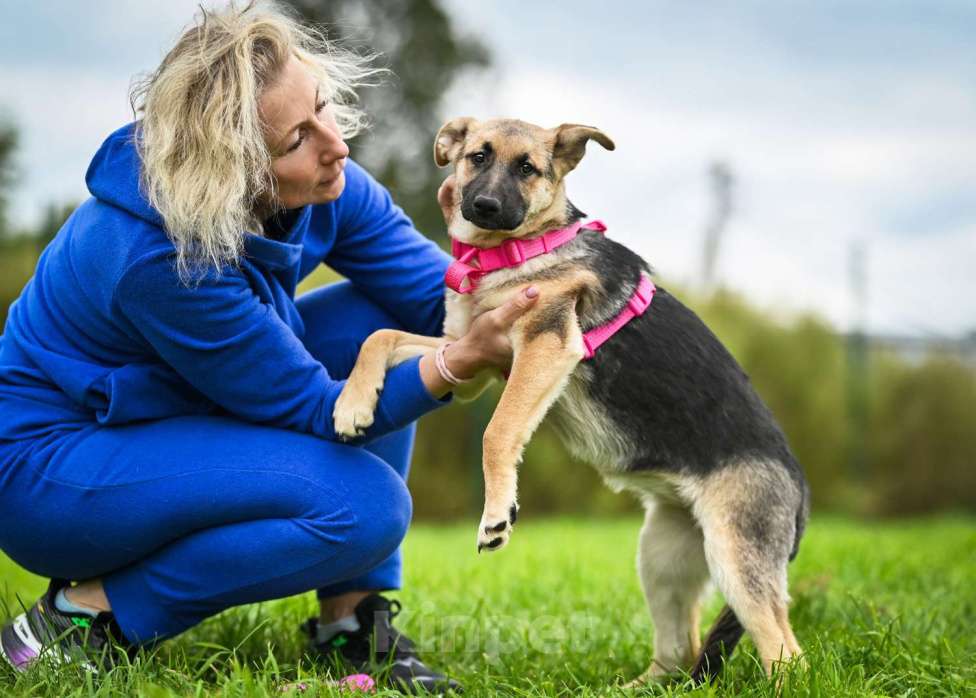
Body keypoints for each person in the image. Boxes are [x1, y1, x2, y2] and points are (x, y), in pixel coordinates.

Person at [0, 3, 537, 693]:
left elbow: (446, 297)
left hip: (168, 415)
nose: (335, 145)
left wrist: (552, 299)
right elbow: (322, 411)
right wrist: (453, 363)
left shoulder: (328, 182)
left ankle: (349, 623)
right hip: (52, 470)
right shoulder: (157, 258)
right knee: (363, 508)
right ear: (234, 173)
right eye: (295, 142)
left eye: (324, 108)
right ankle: (83, 617)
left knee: (376, 316)